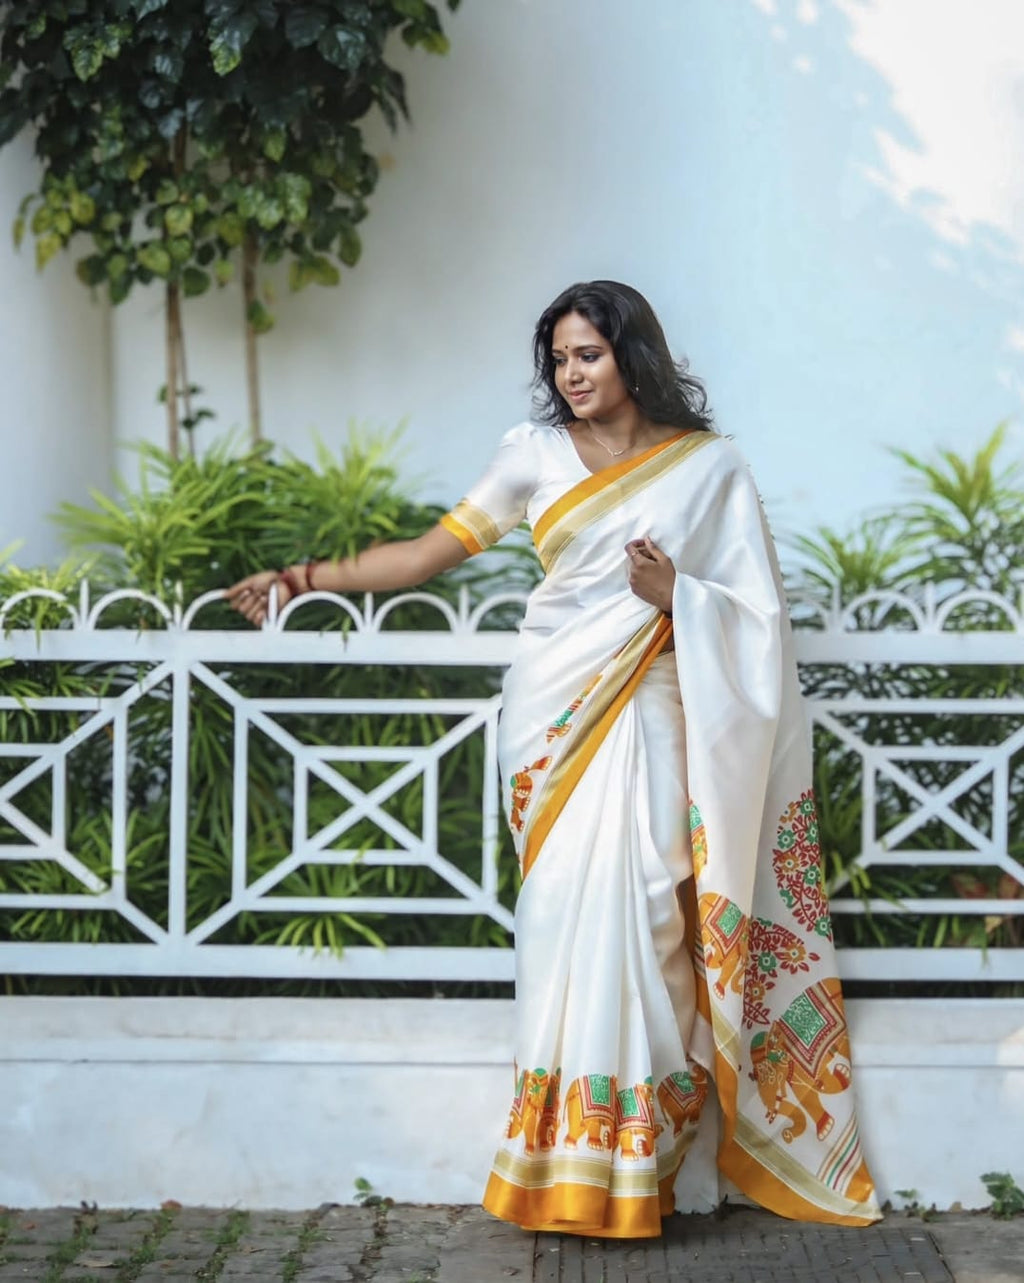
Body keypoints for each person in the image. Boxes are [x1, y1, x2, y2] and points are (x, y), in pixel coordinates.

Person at [226, 281, 880, 1238]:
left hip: (656, 710)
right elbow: (422, 554)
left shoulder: (710, 467)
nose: (571, 374)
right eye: (561, 358)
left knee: (652, 906)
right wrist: (300, 578)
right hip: (552, 717)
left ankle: (637, 1162)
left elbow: (758, 620)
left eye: (590, 355)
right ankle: (560, 1158)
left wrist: (677, 594)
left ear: (634, 356)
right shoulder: (530, 454)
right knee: (567, 911)